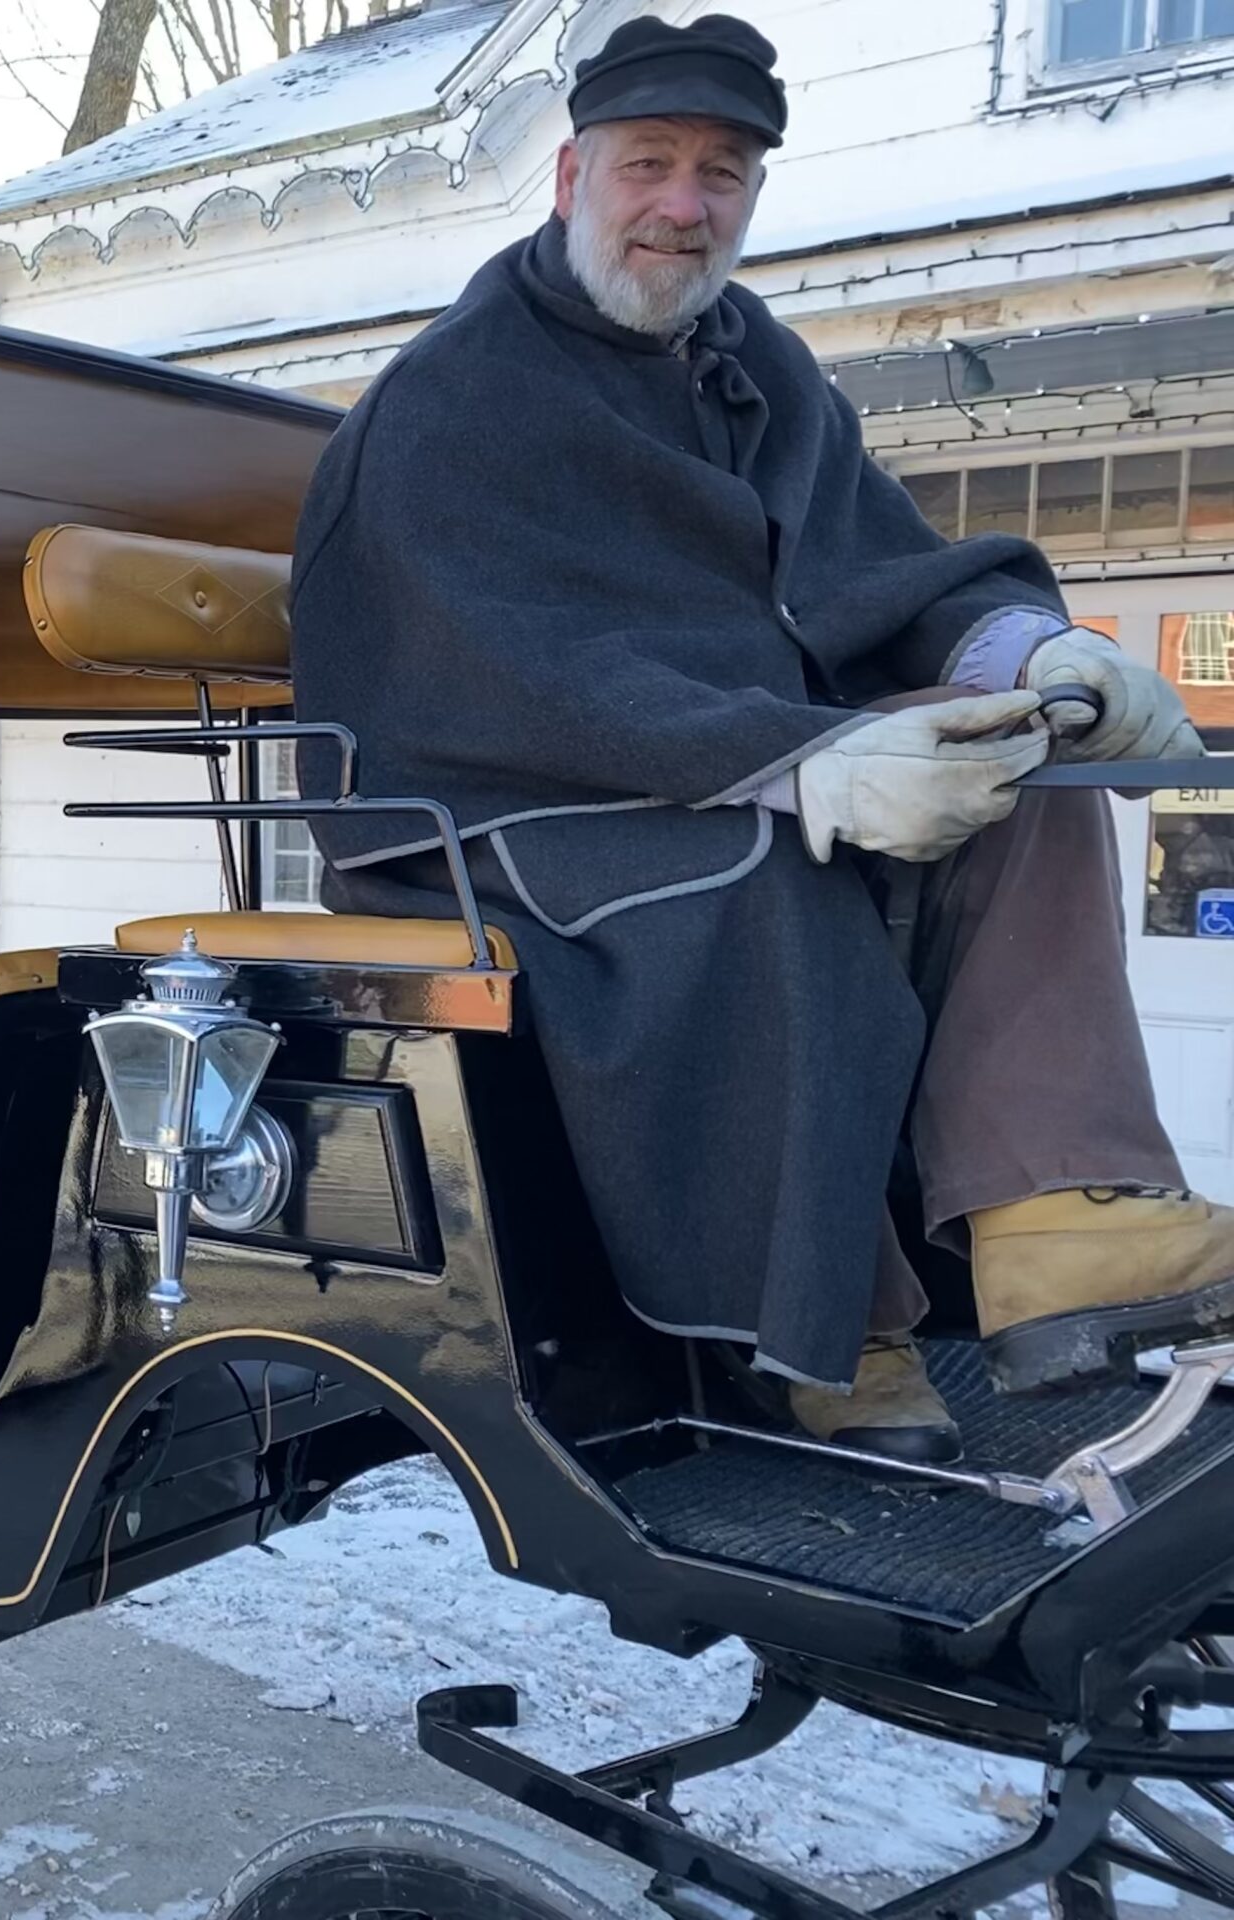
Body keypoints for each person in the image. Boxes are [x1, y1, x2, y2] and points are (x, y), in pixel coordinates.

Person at [288, 12, 1234, 1462]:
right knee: (770, 868)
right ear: (570, 177)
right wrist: (796, 767)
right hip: (487, 816)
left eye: (721, 174)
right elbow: (504, 675)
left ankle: (1058, 1217)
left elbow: (875, 565)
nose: (684, 204)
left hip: (712, 767)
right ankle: (824, 1336)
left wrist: (1029, 653)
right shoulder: (453, 397)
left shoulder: (753, 358)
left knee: (1010, 763)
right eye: (649, 163)